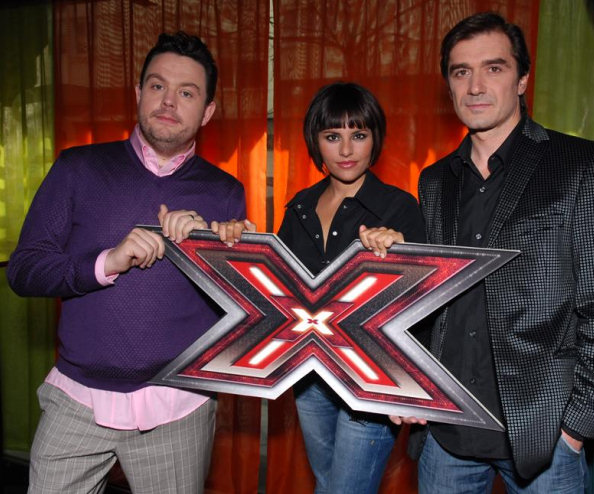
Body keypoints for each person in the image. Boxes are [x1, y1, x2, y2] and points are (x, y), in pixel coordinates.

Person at [360, 11, 594, 493]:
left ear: (523, 79)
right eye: (461, 72)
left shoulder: (580, 165)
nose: (475, 86)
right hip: (446, 433)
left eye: (494, 68)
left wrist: (576, 429)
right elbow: (433, 305)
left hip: (544, 435)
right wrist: (406, 382)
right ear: (449, 86)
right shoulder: (435, 180)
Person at [7, 32, 246, 493]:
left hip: (180, 408)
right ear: (138, 93)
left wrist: (211, 251)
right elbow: (24, 270)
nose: (169, 101)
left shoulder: (225, 192)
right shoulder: (76, 168)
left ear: (207, 111)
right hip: (76, 401)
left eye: (187, 93)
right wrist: (106, 262)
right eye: (157, 86)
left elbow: (236, 312)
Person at [213, 82, 426, 493]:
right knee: (327, 484)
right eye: (332, 136)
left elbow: (424, 306)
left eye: (358, 135)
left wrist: (401, 254)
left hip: (371, 379)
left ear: (375, 139)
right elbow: (280, 289)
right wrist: (245, 246)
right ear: (315, 141)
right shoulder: (300, 205)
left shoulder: (400, 207)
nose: (346, 149)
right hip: (310, 379)